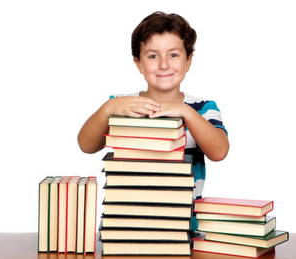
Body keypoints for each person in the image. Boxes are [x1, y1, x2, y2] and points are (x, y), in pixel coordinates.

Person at [78, 11, 229, 199]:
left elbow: (219, 152)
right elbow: (86, 145)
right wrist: (107, 109)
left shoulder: (203, 108)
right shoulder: (121, 105)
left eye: (173, 55)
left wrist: (186, 111)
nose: (164, 65)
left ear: (188, 61)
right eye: (152, 57)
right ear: (139, 63)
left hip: (183, 216)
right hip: (126, 214)